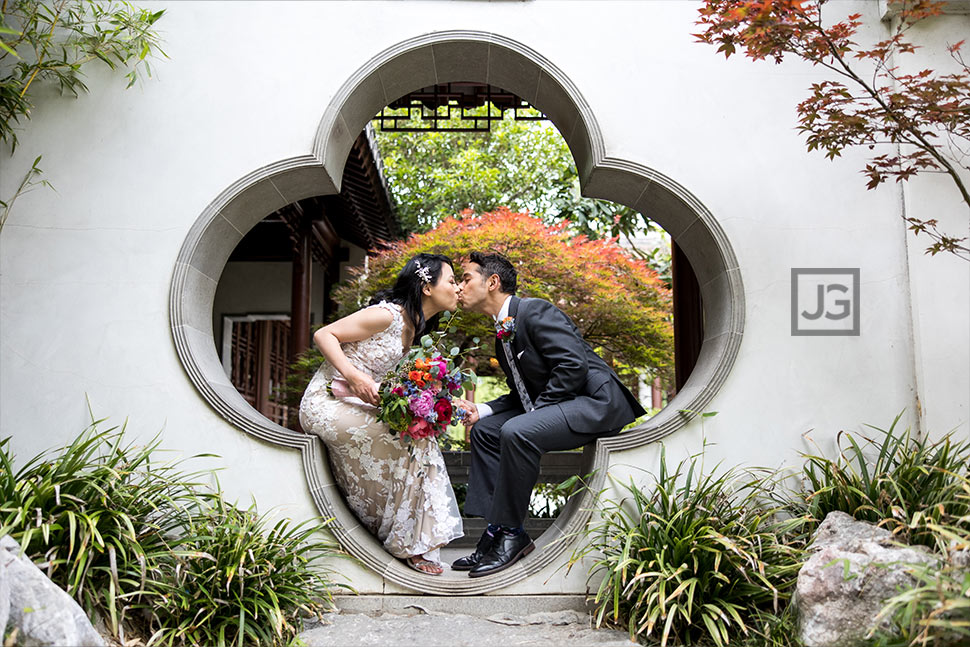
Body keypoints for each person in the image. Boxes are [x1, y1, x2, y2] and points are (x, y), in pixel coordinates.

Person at [453, 252, 645, 578]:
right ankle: (496, 530)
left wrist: (540, 414)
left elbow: (572, 366)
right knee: (486, 431)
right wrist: (482, 410)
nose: (460, 287)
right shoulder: (503, 334)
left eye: (466, 278)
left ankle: (513, 534)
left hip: (595, 402)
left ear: (493, 282)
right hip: (563, 403)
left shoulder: (534, 310)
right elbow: (522, 395)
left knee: (518, 431)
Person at [299, 253, 463, 575]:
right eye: (452, 281)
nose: (457, 288)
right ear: (427, 286)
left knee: (419, 433)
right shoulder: (387, 315)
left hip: (361, 406)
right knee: (407, 437)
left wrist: (450, 405)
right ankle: (404, 538)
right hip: (327, 401)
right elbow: (324, 335)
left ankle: (412, 538)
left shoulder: (417, 330)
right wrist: (354, 376)